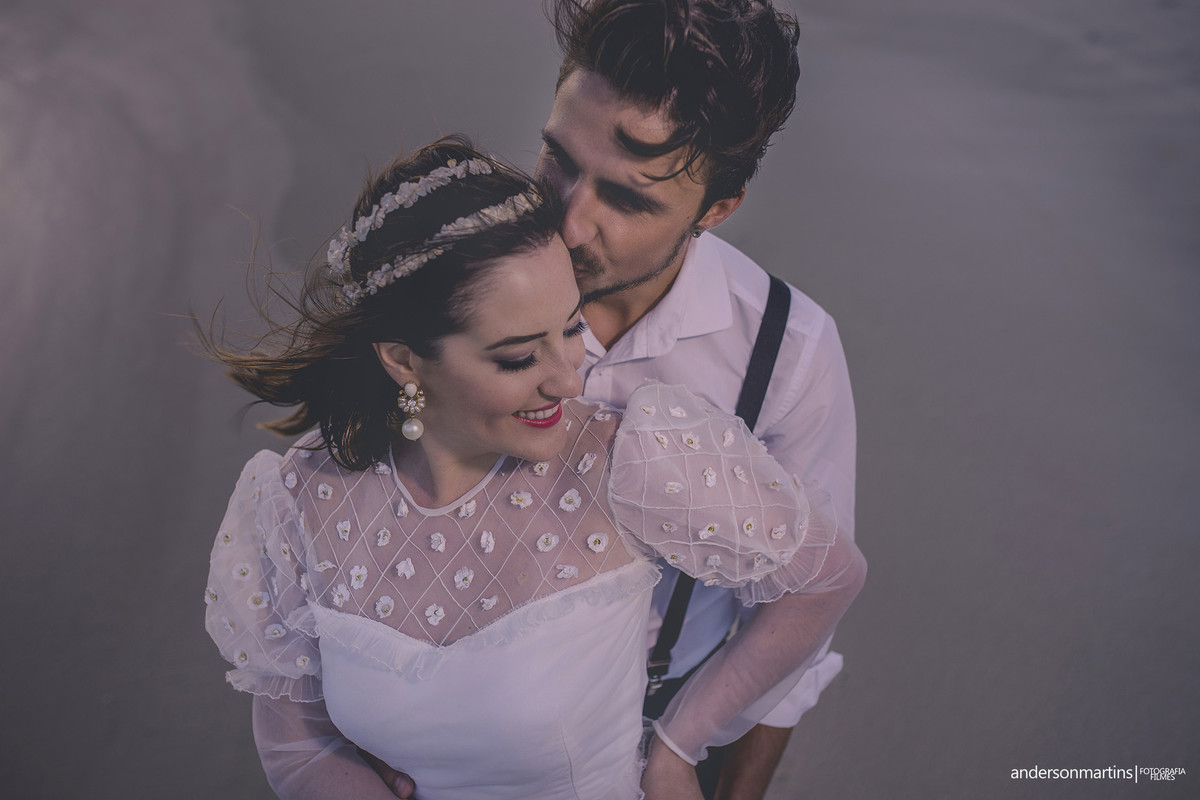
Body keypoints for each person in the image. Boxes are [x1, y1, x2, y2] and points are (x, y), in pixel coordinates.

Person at [201, 137, 865, 799]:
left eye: (572, 329)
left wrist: (676, 745)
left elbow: (827, 576)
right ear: (403, 360)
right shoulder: (300, 496)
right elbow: (299, 746)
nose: (570, 381)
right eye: (518, 358)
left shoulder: (628, 460)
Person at [379, 2, 857, 798]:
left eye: (629, 200)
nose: (570, 224)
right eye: (559, 159)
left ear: (716, 211)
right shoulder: (446, 280)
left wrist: (686, 758)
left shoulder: (785, 354)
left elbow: (795, 627)